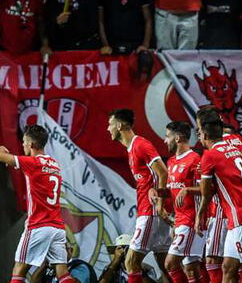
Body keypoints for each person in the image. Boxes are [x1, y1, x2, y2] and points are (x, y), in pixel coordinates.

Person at [0, 125, 76, 283]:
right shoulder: (54, 164)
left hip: (38, 226)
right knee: (63, 274)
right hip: (57, 227)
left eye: (24, 141)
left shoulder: (32, 163)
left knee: (19, 269)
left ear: (31, 144)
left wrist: (3, 148)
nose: (22, 145)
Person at [195, 109, 242, 283]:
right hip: (241, 219)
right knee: (228, 267)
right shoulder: (237, 148)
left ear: (205, 134)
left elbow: (206, 194)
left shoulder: (210, 156)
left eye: (199, 132)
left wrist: (199, 216)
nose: (198, 136)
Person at [106, 109, 170, 283]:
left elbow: (163, 172)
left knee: (131, 262)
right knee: (167, 266)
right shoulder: (131, 149)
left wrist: (160, 204)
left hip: (150, 212)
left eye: (110, 124)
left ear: (119, 126)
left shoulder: (140, 144)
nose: (108, 129)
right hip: (151, 212)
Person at [163, 121, 204, 283]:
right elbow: (172, 191)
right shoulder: (171, 161)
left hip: (192, 220)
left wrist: (187, 190)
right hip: (179, 221)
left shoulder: (195, 159)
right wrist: (156, 191)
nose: (165, 141)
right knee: (192, 269)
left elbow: (207, 189)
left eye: (167, 137)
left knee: (170, 263)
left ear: (178, 138)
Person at [31, 242, 98, 283]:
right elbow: (34, 281)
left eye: (61, 249)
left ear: (70, 251)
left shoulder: (80, 267)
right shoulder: (49, 267)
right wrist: (44, 264)